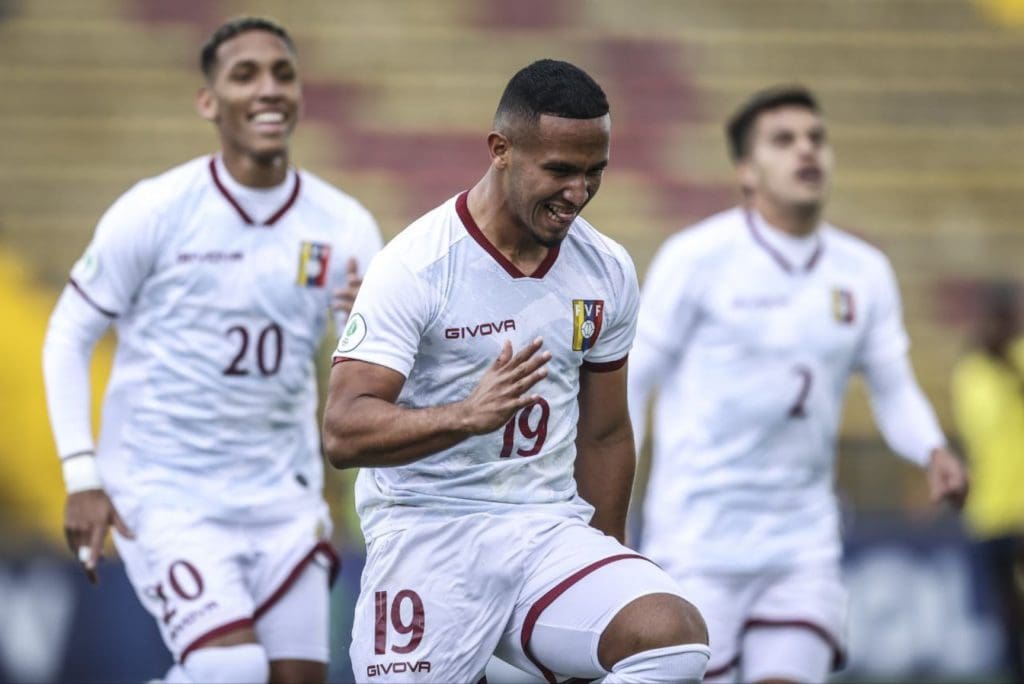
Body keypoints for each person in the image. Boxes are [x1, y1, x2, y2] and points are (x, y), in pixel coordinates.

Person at [322, 59, 709, 684]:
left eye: (594, 173)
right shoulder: (415, 267)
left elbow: (606, 433)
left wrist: (607, 551)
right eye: (559, 170)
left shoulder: (606, 269)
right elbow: (343, 431)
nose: (578, 195)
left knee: (671, 640)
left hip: (545, 530)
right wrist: (465, 417)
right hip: (428, 531)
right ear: (501, 150)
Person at [41, 17, 383, 684]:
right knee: (231, 671)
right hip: (166, 492)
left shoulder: (345, 226)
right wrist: (82, 474)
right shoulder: (157, 211)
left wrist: (358, 326)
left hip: (283, 500)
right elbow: (68, 334)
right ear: (208, 101)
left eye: (283, 74)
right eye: (245, 74)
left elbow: (364, 377)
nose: (268, 89)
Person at [627, 85, 969, 684]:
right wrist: (613, 504)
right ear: (746, 171)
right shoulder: (695, 260)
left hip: (802, 542)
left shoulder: (863, 271)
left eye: (816, 138)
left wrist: (931, 448)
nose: (806, 151)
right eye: (783, 141)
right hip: (697, 538)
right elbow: (631, 381)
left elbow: (892, 387)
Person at [951, 281, 1024, 681]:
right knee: (1008, 612)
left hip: (1022, 510)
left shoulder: (1020, 358)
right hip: (990, 512)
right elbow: (978, 427)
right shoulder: (972, 371)